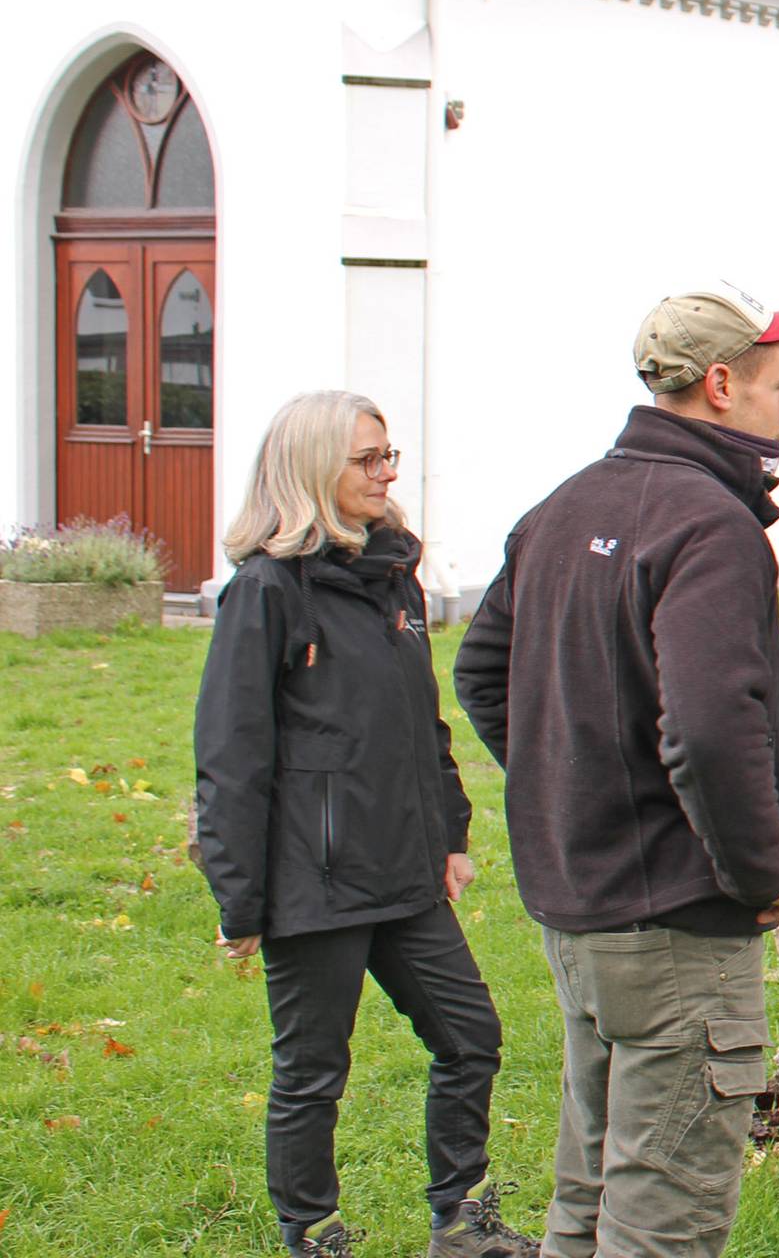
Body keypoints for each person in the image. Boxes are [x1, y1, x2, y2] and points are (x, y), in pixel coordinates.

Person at [454, 283, 779, 1258]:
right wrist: (760, 872)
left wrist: (576, 793)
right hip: (677, 933)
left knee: (589, 1201)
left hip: (582, 916)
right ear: (720, 383)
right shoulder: (710, 527)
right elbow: (707, 727)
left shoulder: (563, 506)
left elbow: (482, 671)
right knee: (660, 1222)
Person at [192, 391, 541, 1258]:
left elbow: (420, 725)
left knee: (471, 1038)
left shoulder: (394, 577)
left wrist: (451, 836)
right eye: (368, 459)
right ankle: (311, 1234)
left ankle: (461, 1222)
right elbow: (233, 755)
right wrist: (240, 900)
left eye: (389, 455)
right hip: (312, 882)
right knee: (313, 1073)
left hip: (405, 871)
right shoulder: (266, 591)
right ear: (313, 469)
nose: (388, 471)